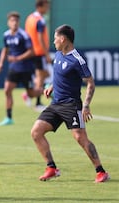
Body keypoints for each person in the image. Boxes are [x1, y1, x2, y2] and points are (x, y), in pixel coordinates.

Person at [30, 24, 110, 183]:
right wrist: (52, 86)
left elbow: (90, 83)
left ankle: (101, 171)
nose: (53, 42)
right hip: (55, 104)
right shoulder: (59, 54)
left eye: (55, 39)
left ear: (63, 39)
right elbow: (60, 75)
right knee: (36, 132)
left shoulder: (77, 60)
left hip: (71, 105)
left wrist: (86, 106)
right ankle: (51, 168)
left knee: (80, 137)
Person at [0, 11, 42, 126]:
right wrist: (0, 62)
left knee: (31, 94)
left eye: (16, 20)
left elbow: (31, 51)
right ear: (8, 23)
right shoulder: (6, 35)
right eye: (12, 20)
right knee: (7, 90)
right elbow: (5, 50)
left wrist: (17, 58)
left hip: (25, 68)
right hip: (14, 69)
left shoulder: (24, 35)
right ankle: (9, 117)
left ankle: (46, 90)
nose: (14, 23)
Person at [25, 0, 51, 111]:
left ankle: (29, 94)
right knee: (41, 76)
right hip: (39, 52)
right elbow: (40, 38)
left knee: (44, 75)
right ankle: (38, 102)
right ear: (40, 7)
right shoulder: (40, 20)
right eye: (46, 6)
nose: (47, 9)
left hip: (30, 51)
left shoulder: (30, 18)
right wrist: (46, 54)